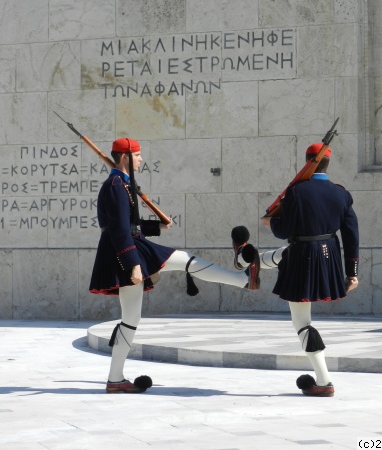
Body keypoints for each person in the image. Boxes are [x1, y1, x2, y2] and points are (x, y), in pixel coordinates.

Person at [89, 137, 260, 394]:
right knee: (184, 260)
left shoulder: (121, 183)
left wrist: (156, 226)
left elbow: (130, 223)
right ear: (124, 158)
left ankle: (115, 379)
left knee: (131, 318)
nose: (141, 159)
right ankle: (243, 279)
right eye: (137, 155)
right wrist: (133, 263)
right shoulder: (115, 184)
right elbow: (117, 228)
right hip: (126, 249)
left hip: (129, 246)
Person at [233, 142, 359, 397]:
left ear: (306, 161)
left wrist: (272, 221)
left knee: (302, 321)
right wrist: (352, 272)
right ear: (328, 163)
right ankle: (250, 262)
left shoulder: (297, 192)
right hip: (329, 255)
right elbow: (351, 234)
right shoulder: (341, 193)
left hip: (303, 254)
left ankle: (324, 381)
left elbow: (284, 231)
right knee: (283, 257)